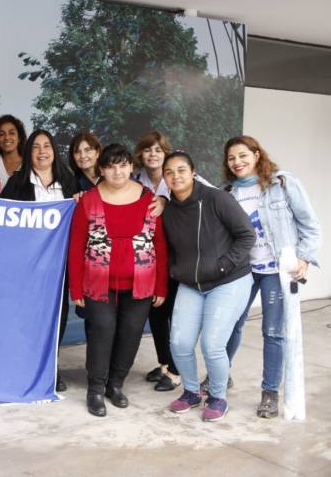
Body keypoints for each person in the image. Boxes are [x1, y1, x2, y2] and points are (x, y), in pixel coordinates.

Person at [222, 136, 321, 418]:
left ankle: (269, 393)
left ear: (256, 155)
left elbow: (309, 224)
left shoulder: (281, 182)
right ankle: (221, 375)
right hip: (243, 269)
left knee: (273, 331)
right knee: (230, 323)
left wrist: (303, 256)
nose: (237, 162)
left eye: (242, 155)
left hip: (276, 270)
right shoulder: (227, 191)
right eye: (231, 158)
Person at [68, 143, 168, 417]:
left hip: (141, 284)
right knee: (101, 332)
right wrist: (75, 287)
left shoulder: (149, 199)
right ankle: (96, 389)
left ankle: (116, 384)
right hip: (97, 284)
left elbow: (159, 244)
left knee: (130, 335)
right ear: (101, 169)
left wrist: (160, 286)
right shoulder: (88, 200)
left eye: (123, 165)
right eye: (110, 166)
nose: (117, 171)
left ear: (132, 167)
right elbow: (76, 245)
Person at [162, 151, 255, 422]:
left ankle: (217, 396)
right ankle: (191, 392)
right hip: (192, 284)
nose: (175, 176)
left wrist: (224, 265)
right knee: (178, 343)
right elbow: (168, 248)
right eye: (170, 172)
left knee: (212, 344)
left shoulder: (217, 198)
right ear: (165, 178)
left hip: (229, 280)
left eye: (181, 170)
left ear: (192, 171)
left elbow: (246, 235)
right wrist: (175, 270)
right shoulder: (168, 210)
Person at [1, 130, 79, 392]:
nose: (42, 151)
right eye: (36, 147)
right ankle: (25, 365)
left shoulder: (70, 182)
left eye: (47, 146)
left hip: (61, 265)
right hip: (28, 266)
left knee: (58, 314)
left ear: (54, 151)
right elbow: (2, 221)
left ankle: (50, 367)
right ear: (28, 153)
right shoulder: (16, 183)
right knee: (27, 314)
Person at [132, 131, 180, 392]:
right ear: (140, 154)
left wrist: (166, 199)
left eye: (158, 150)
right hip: (147, 259)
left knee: (174, 315)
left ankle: (176, 371)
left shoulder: (178, 177)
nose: (153, 154)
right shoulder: (134, 180)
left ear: (166, 154)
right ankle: (164, 363)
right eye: (148, 150)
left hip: (177, 257)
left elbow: (205, 197)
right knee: (157, 314)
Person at [0, 115, 26, 190]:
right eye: (2, 134)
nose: (7, 137)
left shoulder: (29, 164)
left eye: (12, 133)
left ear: (19, 138)